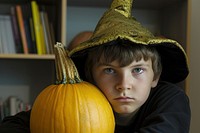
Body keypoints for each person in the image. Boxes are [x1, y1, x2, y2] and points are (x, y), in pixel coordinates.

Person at [0, 0, 190, 133]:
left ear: (155, 76)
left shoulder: (171, 99)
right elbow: (12, 124)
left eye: (137, 70)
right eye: (109, 70)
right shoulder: (82, 101)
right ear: (91, 77)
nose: (124, 84)